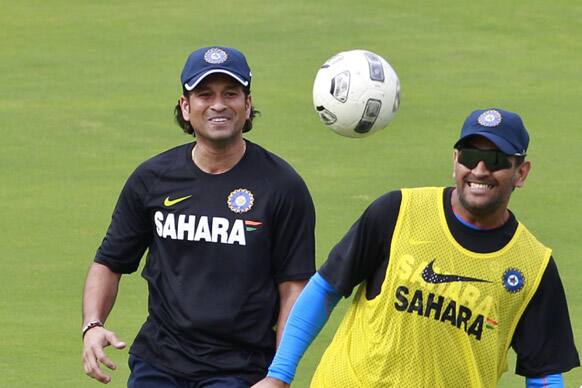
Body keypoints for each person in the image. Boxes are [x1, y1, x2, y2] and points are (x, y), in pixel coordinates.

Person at [253, 108, 580, 387]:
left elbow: (544, 371)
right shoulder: (397, 211)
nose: (479, 170)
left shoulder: (532, 266)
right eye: (471, 156)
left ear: (521, 173)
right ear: (455, 160)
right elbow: (325, 288)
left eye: (495, 160)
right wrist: (279, 374)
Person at [81, 46, 316, 387]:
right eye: (204, 94)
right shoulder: (152, 179)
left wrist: (279, 376)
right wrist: (93, 325)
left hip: (238, 369)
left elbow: (294, 287)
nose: (218, 104)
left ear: (247, 105)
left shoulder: (282, 187)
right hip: (159, 361)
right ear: (185, 107)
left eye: (231, 93)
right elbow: (109, 262)